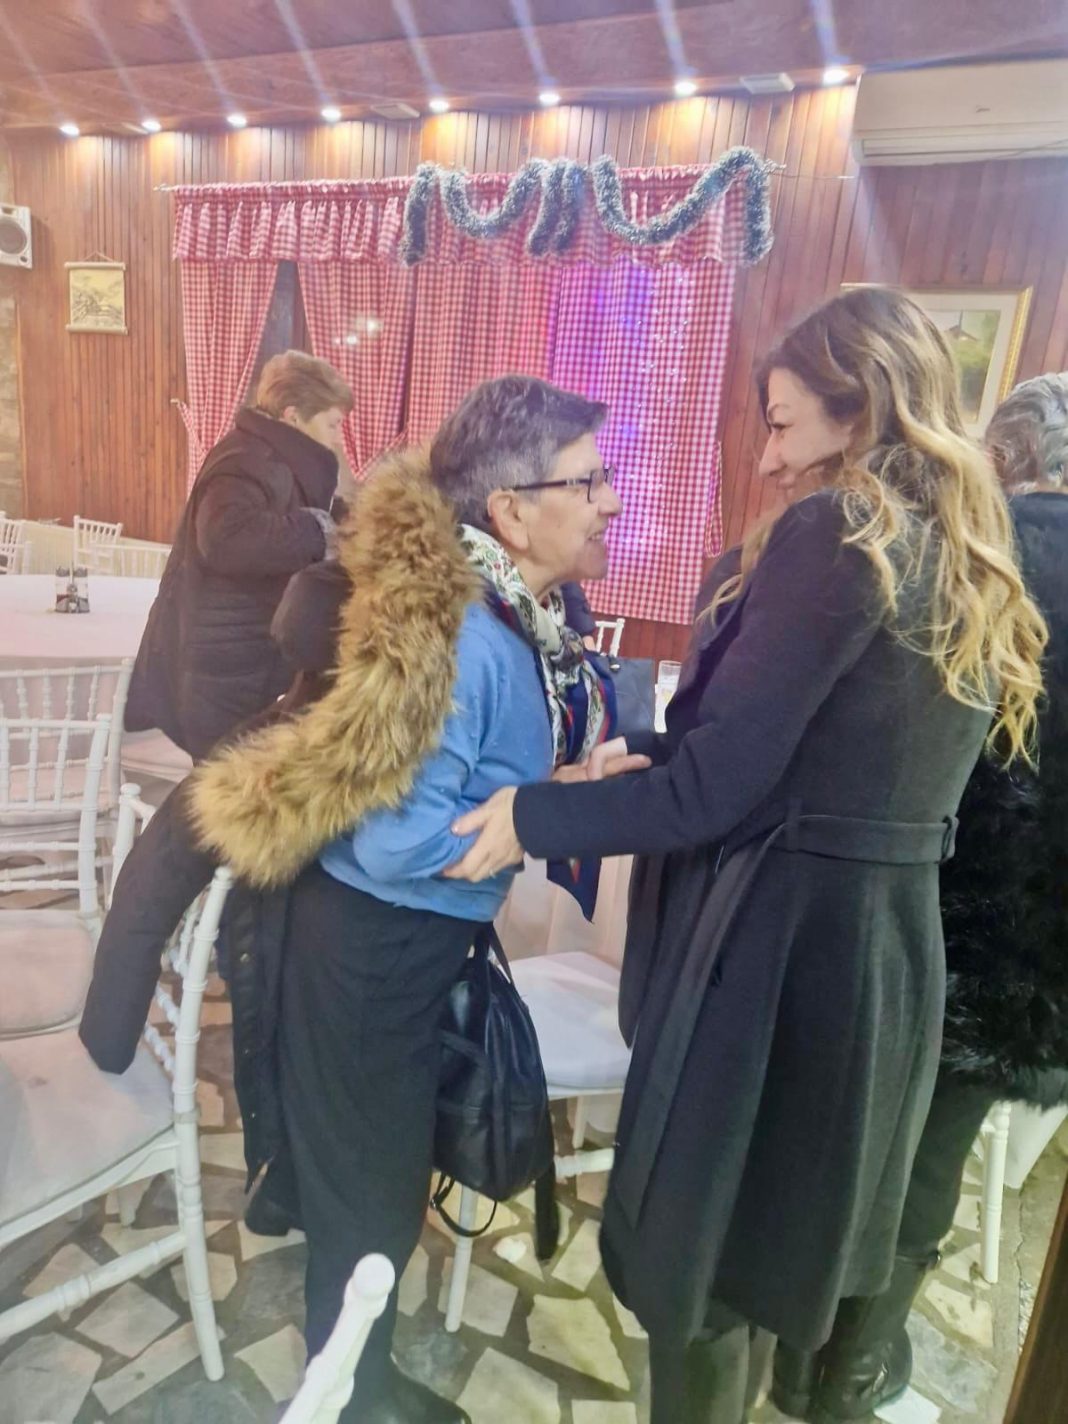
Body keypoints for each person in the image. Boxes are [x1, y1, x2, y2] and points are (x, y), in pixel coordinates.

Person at [445, 287, 1047, 1424]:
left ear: (858, 405)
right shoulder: (964, 546)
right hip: (882, 947)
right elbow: (831, 753)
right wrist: (649, 754)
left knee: (707, 1262)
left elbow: (721, 791)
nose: (768, 459)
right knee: (775, 1248)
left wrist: (534, 818)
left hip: (781, 942)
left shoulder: (842, 531)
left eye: (780, 423)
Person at [184, 375, 623, 1424]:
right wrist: (532, 817)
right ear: (511, 511)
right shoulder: (472, 637)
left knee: (373, 1175)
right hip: (370, 948)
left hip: (392, 945)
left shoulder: (506, 615)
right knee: (368, 1190)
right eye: (588, 481)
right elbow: (392, 845)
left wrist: (550, 791)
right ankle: (353, 1398)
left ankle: (360, 1383)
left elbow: (459, 785)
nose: (609, 500)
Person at [769, 372, 1068, 1423]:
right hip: (1039, 951)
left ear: (1007, 456)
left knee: (836, 1138)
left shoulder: (973, 556)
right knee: (933, 1159)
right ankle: (847, 1379)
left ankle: (792, 1351)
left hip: (914, 908)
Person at [125, 349, 353, 759]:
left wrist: (341, 519)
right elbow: (225, 538)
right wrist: (317, 530)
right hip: (224, 669)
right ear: (293, 416)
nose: (339, 438)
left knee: (237, 779)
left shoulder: (274, 458)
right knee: (222, 782)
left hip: (244, 658)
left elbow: (282, 513)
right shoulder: (247, 460)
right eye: (333, 424)